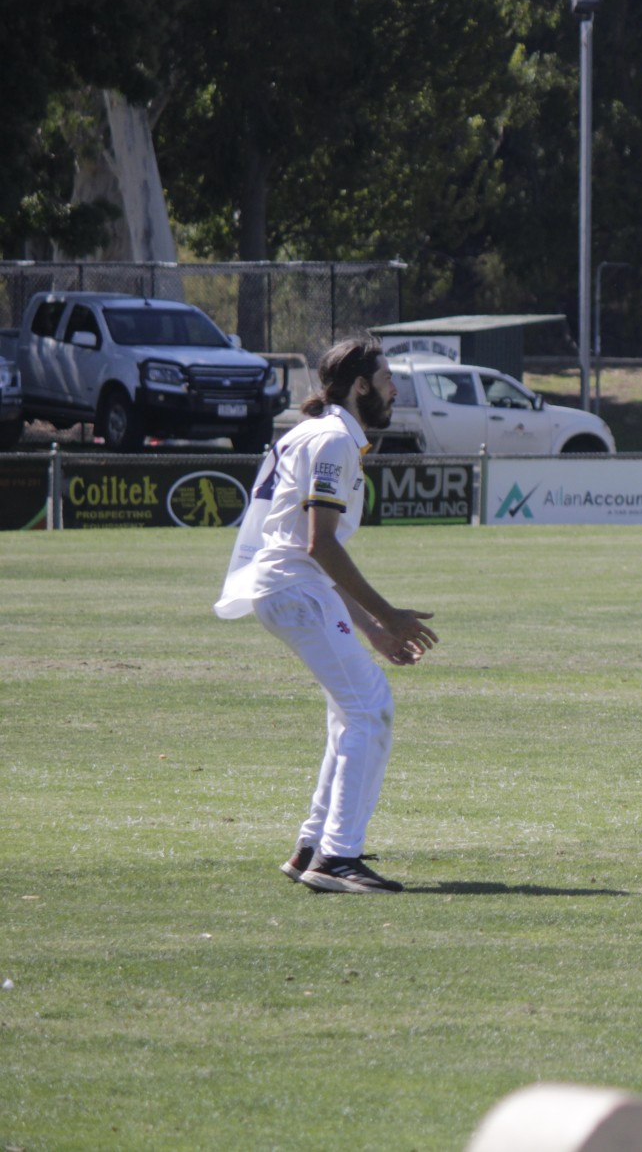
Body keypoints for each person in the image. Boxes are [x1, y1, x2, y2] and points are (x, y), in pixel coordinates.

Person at [216, 338, 439, 893]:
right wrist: (388, 614)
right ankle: (338, 859)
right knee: (372, 707)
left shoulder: (317, 433)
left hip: (293, 588)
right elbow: (320, 546)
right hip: (294, 589)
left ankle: (314, 846)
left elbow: (311, 552)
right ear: (359, 386)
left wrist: (373, 630)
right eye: (386, 378)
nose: (393, 388)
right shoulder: (335, 439)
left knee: (352, 711)